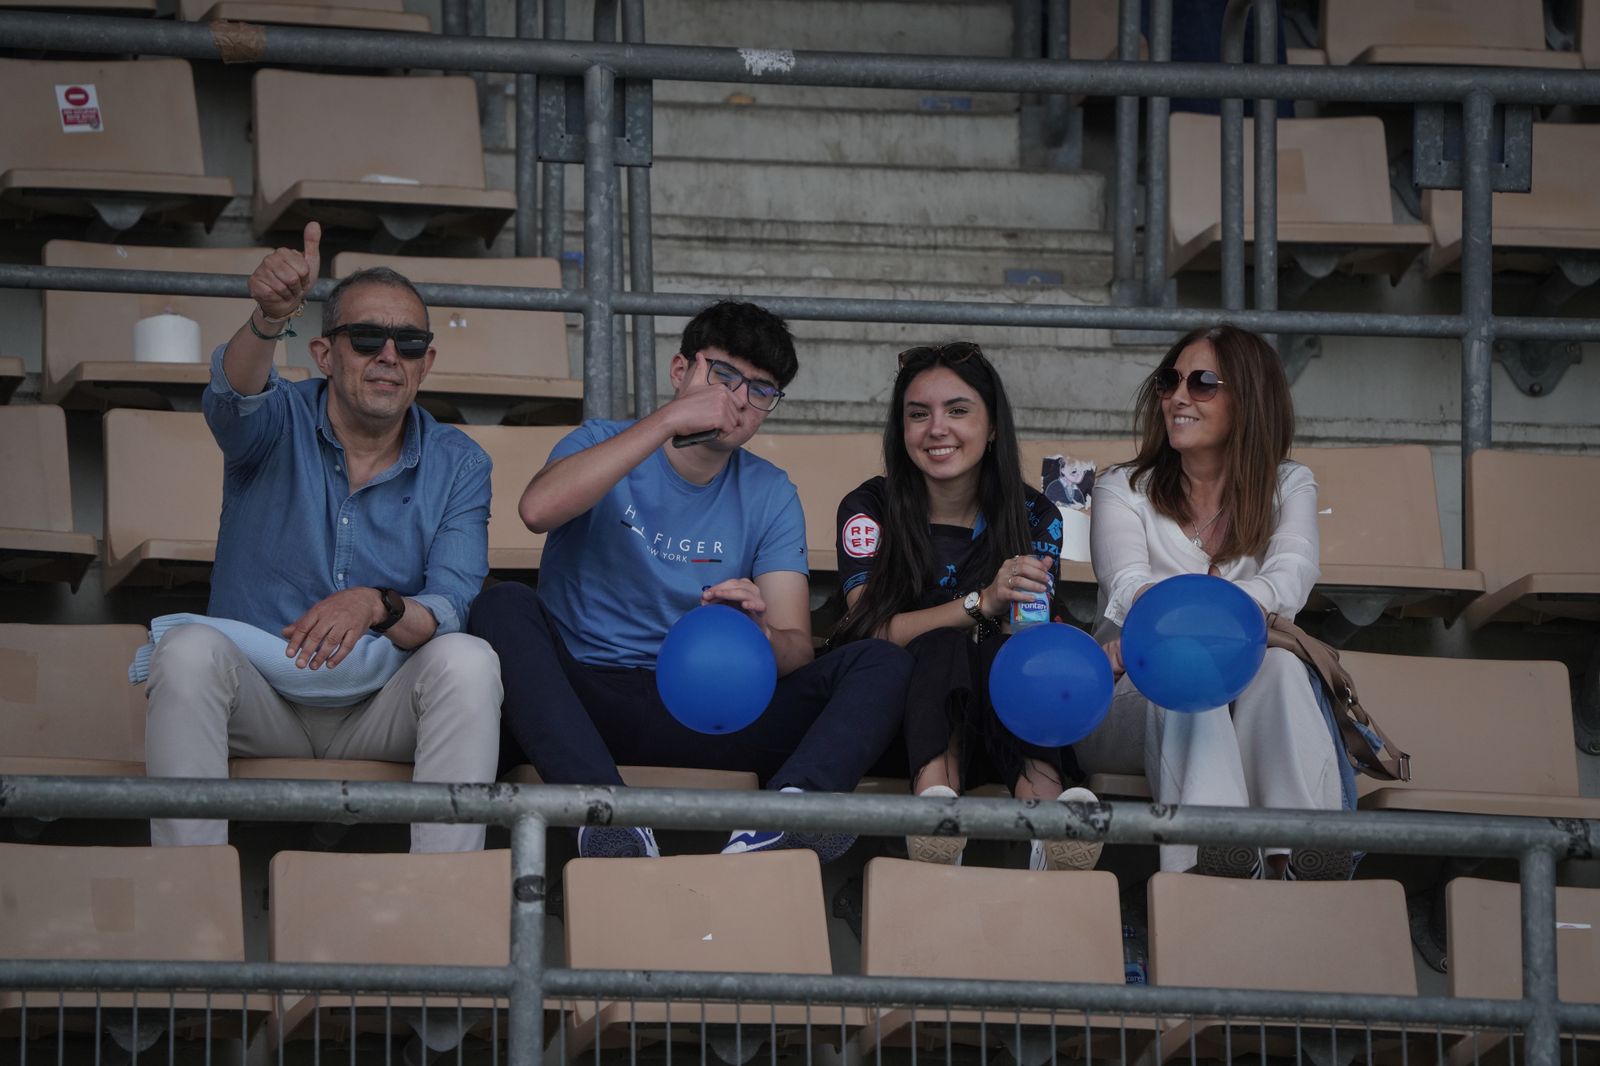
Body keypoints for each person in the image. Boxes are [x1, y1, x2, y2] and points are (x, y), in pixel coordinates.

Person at [467, 300, 912, 861]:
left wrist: (761, 635)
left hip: (712, 707)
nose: (736, 399)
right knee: (502, 605)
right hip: (585, 700)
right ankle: (602, 814)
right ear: (680, 372)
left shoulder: (772, 493)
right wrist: (668, 422)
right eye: (722, 375)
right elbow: (537, 509)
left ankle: (789, 817)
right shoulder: (598, 442)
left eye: (761, 390)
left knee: (882, 662)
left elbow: (797, 650)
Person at [141, 222, 503, 853]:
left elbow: (448, 610)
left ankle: (447, 903)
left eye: (410, 343)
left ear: (428, 363)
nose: (390, 356)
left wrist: (375, 602)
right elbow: (231, 398)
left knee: (470, 661)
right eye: (367, 338)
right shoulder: (277, 418)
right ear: (325, 353)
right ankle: (186, 895)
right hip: (259, 701)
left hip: (379, 710)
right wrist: (267, 319)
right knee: (189, 652)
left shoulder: (461, 463)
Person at [1073, 323, 1345, 879]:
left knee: (1281, 667)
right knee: (1186, 671)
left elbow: (1291, 581)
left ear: (1249, 398)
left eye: (1202, 382)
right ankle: (1209, 857)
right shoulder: (1121, 488)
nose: (1177, 396)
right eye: (1169, 381)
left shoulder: (1288, 484)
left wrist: (1190, 616)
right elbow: (1131, 591)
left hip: (1247, 691)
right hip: (1130, 697)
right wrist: (1217, 622)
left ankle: (1299, 853)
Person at [830, 342, 1103, 872]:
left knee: (1005, 655)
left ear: (993, 425)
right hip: (892, 728)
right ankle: (937, 820)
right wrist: (982, 603)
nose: (937, 428)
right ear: (900, 429)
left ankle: (1053, 826)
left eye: (958, 410)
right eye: (918, 414)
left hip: (1000, 723)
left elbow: (1030, 632)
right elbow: (868, 632)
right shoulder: (869, 507)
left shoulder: (1034, 513)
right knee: (943, 646)